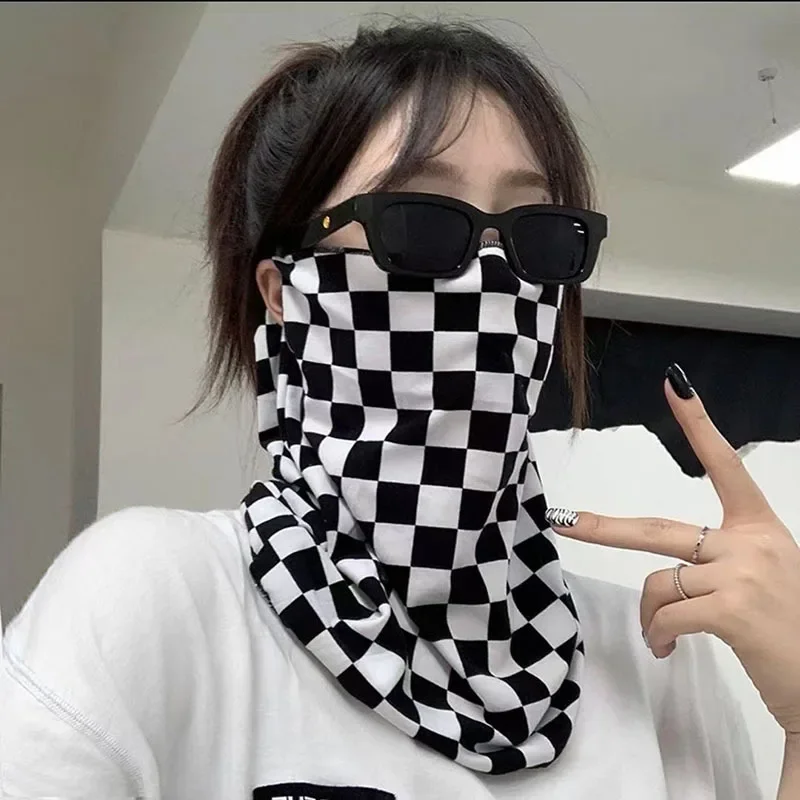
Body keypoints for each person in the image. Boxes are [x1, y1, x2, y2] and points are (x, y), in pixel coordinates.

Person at [2, 19, 799, 800]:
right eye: (418, 224)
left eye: (537, 235)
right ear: (285, 294)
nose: (494, 282)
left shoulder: (660, 650)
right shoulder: (155, 600)